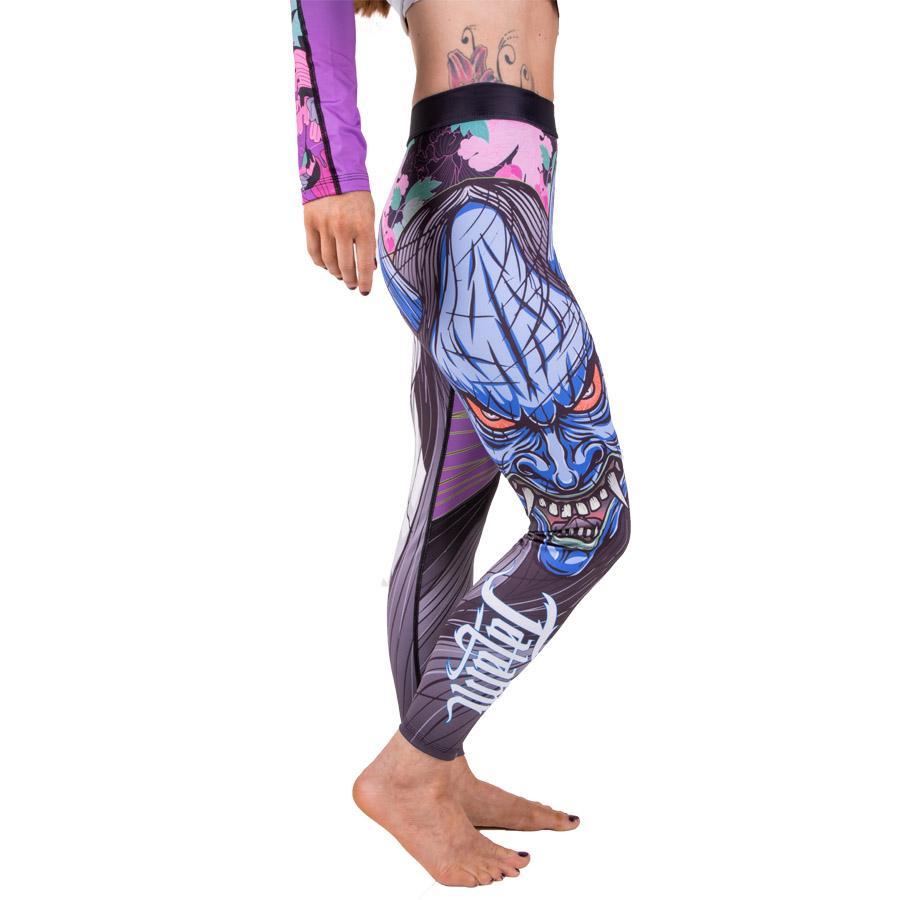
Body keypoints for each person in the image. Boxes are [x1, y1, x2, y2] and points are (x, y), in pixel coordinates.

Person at [291, 0, 630, 886]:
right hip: (475, 211)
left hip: (489, 200)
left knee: (451, 508)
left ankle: (440, 770)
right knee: (586, 521)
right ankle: (410, 772)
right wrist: (329, 170)